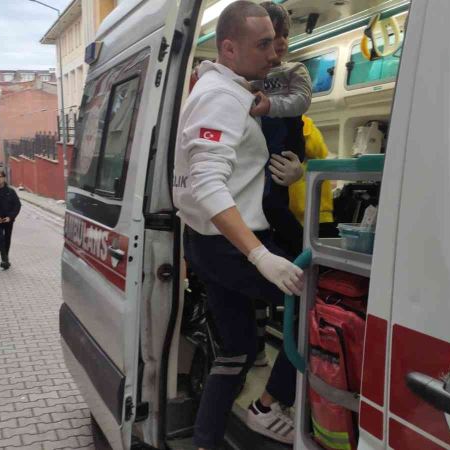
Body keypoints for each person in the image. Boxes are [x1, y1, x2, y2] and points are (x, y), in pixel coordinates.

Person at [172, 2, 305, 448]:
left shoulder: (218, 87)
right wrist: (260, 255)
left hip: (209, 244)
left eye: (274, 42)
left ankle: (206, 440)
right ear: (228, 47)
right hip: (231, 244)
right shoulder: (222, 97)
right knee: (315, 308)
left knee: (238, 349)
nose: (273, 54)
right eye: (262, 44)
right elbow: (207, 183)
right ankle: (267, 408)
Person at [252, 2, 313, 368]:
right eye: (273, 39)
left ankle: (301, 254)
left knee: (275, 205)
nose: (280, 46)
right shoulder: (252, 78)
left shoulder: (294, 72)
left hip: (281, 159)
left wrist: (267, 105)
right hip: (261, 166)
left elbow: (301, 101)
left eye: (285, 37)